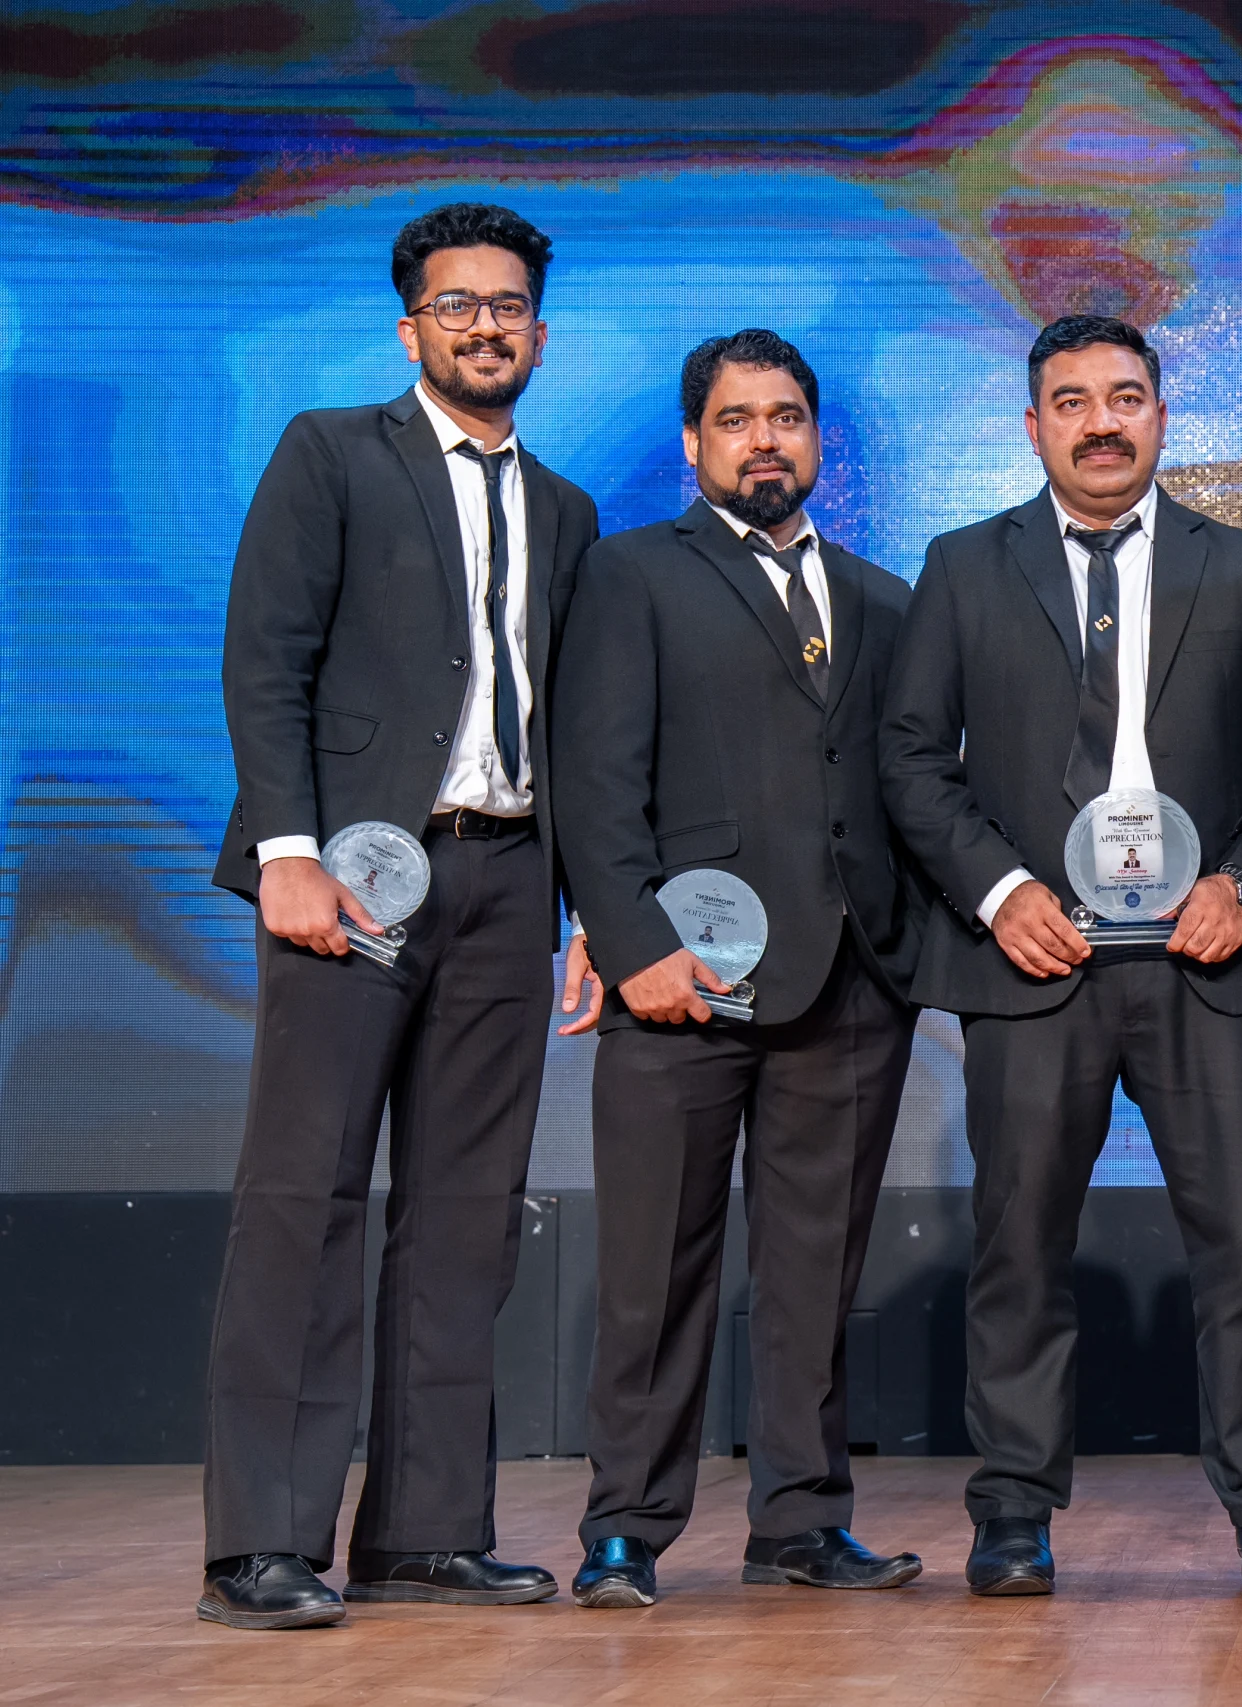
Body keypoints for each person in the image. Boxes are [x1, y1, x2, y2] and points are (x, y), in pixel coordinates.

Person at [880, 315, 1242, 1598]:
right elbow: (910, 757)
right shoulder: (962, 566)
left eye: (1124, 397)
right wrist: (1000, 890)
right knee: (1019, 1245)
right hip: (1034, 960)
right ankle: (1013, 1512)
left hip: (1209, 958)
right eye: (1070, 401)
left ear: (1161, 416)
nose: (1100, 423)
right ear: (1033, 427)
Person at [200, 203, 596, 1629]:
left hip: (509, 881)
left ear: (540, 333)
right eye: (457, 304)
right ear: (410, 325)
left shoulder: (568, 510)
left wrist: (588, 911)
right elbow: (266, 656)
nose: (485, 325)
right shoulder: (330, 452)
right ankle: (263, 1539)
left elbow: (577, 725)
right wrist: (287, 849)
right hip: (352, 874)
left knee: (467, 1214)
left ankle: (426, 1531)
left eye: (508, 306)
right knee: (303, 1198)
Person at [550, 330, 924, 1609]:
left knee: (816, 1274)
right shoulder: (629, 575)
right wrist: (631, 945)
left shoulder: (884, 597)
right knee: (655, 1268)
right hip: (681, 983)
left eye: (786, 417)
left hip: (850, 984)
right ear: (694, 442)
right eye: (735, 419)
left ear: (817, 440)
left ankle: (801, 1522)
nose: (765, 439)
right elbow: (594, 780)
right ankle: (624, 1529)